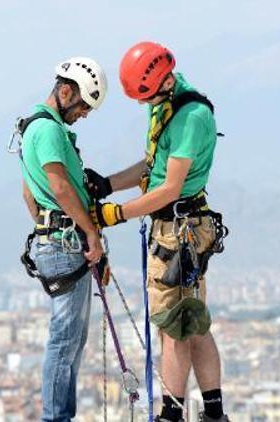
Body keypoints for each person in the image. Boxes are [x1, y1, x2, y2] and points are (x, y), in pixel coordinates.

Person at [86, 41, 230, 422]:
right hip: (180, 227)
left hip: (178, 230)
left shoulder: (189, 117)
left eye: (144, 96)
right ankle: (213, 413)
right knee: (193, 322)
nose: (141, 104)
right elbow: (154, 167)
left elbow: (169, 187)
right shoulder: (170, 107)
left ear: (161, 82)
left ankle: (172, 412)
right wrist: (108, 184)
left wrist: (115, 214)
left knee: (174, 326)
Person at [16, 57, 108, 422]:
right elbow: (58, 185)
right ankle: (56, 418)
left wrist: (47, 226)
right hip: (66, 241)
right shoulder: (49, 131)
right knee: (64, 340)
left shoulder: (33, 129)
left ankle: (61, 416)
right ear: (65, 91)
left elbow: (29, 194)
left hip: (56, 237)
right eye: (83, 106)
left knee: (71, 340)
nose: (84, 114)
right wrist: (86, 231)